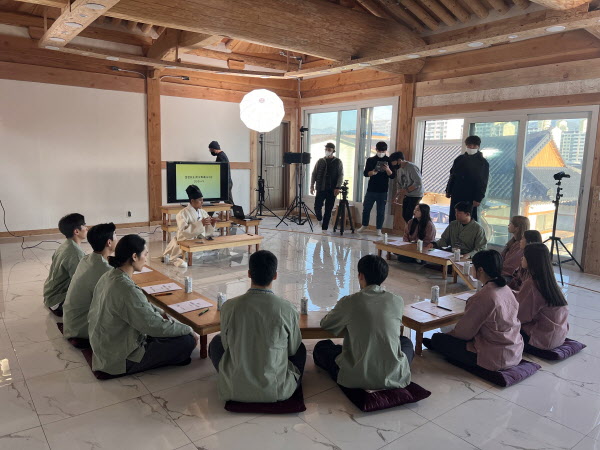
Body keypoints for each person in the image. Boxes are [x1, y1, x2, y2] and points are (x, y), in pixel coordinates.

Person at [88, 234, 196, 376]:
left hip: (104, 346)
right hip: (118, 358)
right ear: (134, 256)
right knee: (186, 341)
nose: (146, 258)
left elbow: (141, 305)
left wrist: (160, 312)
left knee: (169, 330)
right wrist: (188, 329)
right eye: (145, 254)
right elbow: (153, 326)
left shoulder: (110, 275)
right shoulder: (126, 288)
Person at [208, 250, 306, 402]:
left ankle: (234, 380)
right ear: (275, 276)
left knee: (216, 342)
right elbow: (292, 349)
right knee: (300, 348)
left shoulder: (229, 307)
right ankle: (280, 383)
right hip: (277, 391)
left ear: (249, 274)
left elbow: (227, 346)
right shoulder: (287, 308)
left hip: (234, 389)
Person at [313, 255, 413, 389]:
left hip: (357, 375)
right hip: (393, 375)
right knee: (406, 342)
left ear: (360, 275)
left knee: (322, 347)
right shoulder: (397, 300)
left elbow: (326, 324)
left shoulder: (350, 301)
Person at [424, 250, 524, 372]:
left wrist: (449, 335)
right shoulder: (506, 289)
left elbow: (464, 333)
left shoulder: (485, 296)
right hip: (514, 349)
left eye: (473, 266)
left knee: (438, 339)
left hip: (494, 355)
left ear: (480, 270)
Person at [62, 223, 116, 341]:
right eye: (115, 236)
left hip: (71, 323)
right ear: (109, 242)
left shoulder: (86, 259)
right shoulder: (106, 271)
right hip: (82, 328)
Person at [516, 243, 569, 350]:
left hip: (540, 340)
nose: (522, 258)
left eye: (524, 256)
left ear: (531, 260)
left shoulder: (532, 284)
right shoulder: (550, 281)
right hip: (559, 336)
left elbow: (520, 316)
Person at [43, 213, 88, 317]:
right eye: (84, 225)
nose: (87, 228)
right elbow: (81, 284)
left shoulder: (65, 245)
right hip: (58, 302)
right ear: (76, 231)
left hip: (50, 295)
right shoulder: (75, 254)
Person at [163, 185, 217, 267]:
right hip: (185, 241)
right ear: (192, 201)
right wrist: (201, 224)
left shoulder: (203, 212)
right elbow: (185, 231)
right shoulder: (182, 214)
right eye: (200, 200)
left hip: (200, 241)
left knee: (215, 250)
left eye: (202, 200)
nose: (202, 202)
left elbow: (206, 232)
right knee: (188, 256)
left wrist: (211, 224)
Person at [445, 136, 489, 222]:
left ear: (478, 146)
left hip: (471, 195)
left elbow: (483, 182)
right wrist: (448, 190)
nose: (471, 147)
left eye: (474, 145)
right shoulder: (459, 159)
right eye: (469, 145)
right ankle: (453, 231)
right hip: (457, 192)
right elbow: (452, 175)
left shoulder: (482, 162)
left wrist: (478, 198)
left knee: (468, 218)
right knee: (454, 216)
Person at [357, 142, 396, 236]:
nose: (381, 153)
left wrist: (387, 169)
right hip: (371, 189)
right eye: (379, 151)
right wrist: (372, 172)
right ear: (376, 150)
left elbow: (392, 176)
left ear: (386, 151)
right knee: (366, 208)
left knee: (381, 211)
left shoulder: (389, 160)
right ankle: (364, 225)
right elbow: (365, 173)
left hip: (383, 190)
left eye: (383, 151)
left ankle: (379, 229)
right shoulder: (370, 160)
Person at [310, 142, 344, 231]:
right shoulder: (320, 161)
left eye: (329, 149)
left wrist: (338, 187)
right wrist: (312, 186)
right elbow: (314, 174)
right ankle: (319, 219)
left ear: (333, 151)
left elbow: (340, 175)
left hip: (332, 189)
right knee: (317, 206)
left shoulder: (338, 162)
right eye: (326, 149)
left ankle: (324, 228)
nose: (327, 151)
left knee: (328, 209)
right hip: (320, 188)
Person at [390, 151, 424, 225]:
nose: (393, 166)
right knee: (404, 215)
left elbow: (418, 182)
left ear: (399, 160)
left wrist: (406, 190)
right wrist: (396, 197)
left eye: (394, 163)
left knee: (409, 215)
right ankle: (410, 229)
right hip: (407, 195)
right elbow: (399, 185)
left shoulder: (411, 167)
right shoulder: (399, 170)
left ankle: (413, 230)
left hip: (416, 195)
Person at [209, 140, 234, 205]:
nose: (210, 151)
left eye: (211, 150)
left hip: (225, 184)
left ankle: (235, 211)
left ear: (214, 149)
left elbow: (221, 170)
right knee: (217, 201)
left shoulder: (221, 157)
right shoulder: (221, 155)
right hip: (225, 183)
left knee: (228, 203)